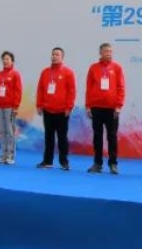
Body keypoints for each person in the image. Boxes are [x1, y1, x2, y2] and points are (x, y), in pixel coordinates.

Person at [85, 43, 126, 174]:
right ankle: (97, 163)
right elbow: (89, 88)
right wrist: (88, 106)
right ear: (100, 53)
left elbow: (121, 87)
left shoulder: (117, 68)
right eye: (106, 51)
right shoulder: (93, 68)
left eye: (110, 51)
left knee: (112, 137)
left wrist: (119, 106)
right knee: (97, 137)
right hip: (96, 108)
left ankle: (113, 164)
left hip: (112, 109)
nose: (108, 53)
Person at [35, 47, 77, 170]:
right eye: (53, 54)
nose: (54, 56)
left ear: (62, 57)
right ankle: (47, 161)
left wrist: (69, 107)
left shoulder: (68, 72)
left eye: (57, 54)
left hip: (62, 111)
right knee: (49, 137)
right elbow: (40, 89)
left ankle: (64, 162)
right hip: (47, 110)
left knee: (62, 138)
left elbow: (72, 91)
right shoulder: (45, 72)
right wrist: (39, 105)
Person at [0, 51, 23, 165]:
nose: (5, 61)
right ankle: (3, 153)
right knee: (1, 131)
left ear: (12, 61)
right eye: (4, 59)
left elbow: (18, 91)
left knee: (9, 131)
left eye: (7, 59)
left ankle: (10, 154)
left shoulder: (15, 74)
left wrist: (16, 106)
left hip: (10, 107)